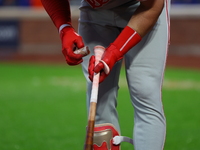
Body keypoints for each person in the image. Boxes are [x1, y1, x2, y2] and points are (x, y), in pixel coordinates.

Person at [41, 0, 171, 150]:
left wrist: (115, 52)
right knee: (98, 101)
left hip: (143, 9)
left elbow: (152, 6)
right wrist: (64, 28)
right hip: (95, 13)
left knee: (145, 92)